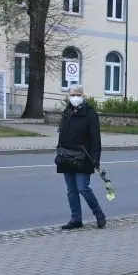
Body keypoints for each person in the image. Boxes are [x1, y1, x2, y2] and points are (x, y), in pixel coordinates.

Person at [57, 84, 107, 230]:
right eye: (72, 95)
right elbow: (62, 135)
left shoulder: (90, 114)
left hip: (83, 157)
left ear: (83, 95)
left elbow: (95, 139)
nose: (75, 97)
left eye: (77, 94)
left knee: (82, 188)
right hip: (66, 156)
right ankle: (76, 219)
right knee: (71, 190)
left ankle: (99, 214)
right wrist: (59, 151)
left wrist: (95, 158)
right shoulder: (67, 112)